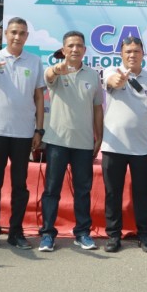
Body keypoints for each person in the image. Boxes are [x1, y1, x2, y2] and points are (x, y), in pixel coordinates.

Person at [0, 18, 46, 252]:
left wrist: (39, 129)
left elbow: (38, 97)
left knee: (20, 185)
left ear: (27, 36)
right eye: (13, 32)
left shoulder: (34, 62)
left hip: (24, 133)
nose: (17, 37)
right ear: (5, 34)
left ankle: (16, 232)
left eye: (22, 33)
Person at [40, 31, 104, 252]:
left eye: (79, 46)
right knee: (51, 190)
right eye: (71, 46)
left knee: (83, 190)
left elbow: (97, 109)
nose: (75, 49)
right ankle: (47, 234)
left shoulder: (93, 76)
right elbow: (49, 75)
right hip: (57, 141)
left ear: (84, 50)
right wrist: (56, 70)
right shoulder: (56, 71)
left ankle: (83, 233)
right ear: (63, 49)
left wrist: (100, 136)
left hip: (84, 143)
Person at [100, 37, 147, 253]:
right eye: (128, 51)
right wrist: (120, 79)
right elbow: (113, 82)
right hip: (113, 146)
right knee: (112, 193)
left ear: (143, 54)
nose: (132, 55)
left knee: (142, 194)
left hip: (143, 148)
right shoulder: (112, 72)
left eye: (136, 51)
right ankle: (113, 235)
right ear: (121, 54)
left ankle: (145, 235)